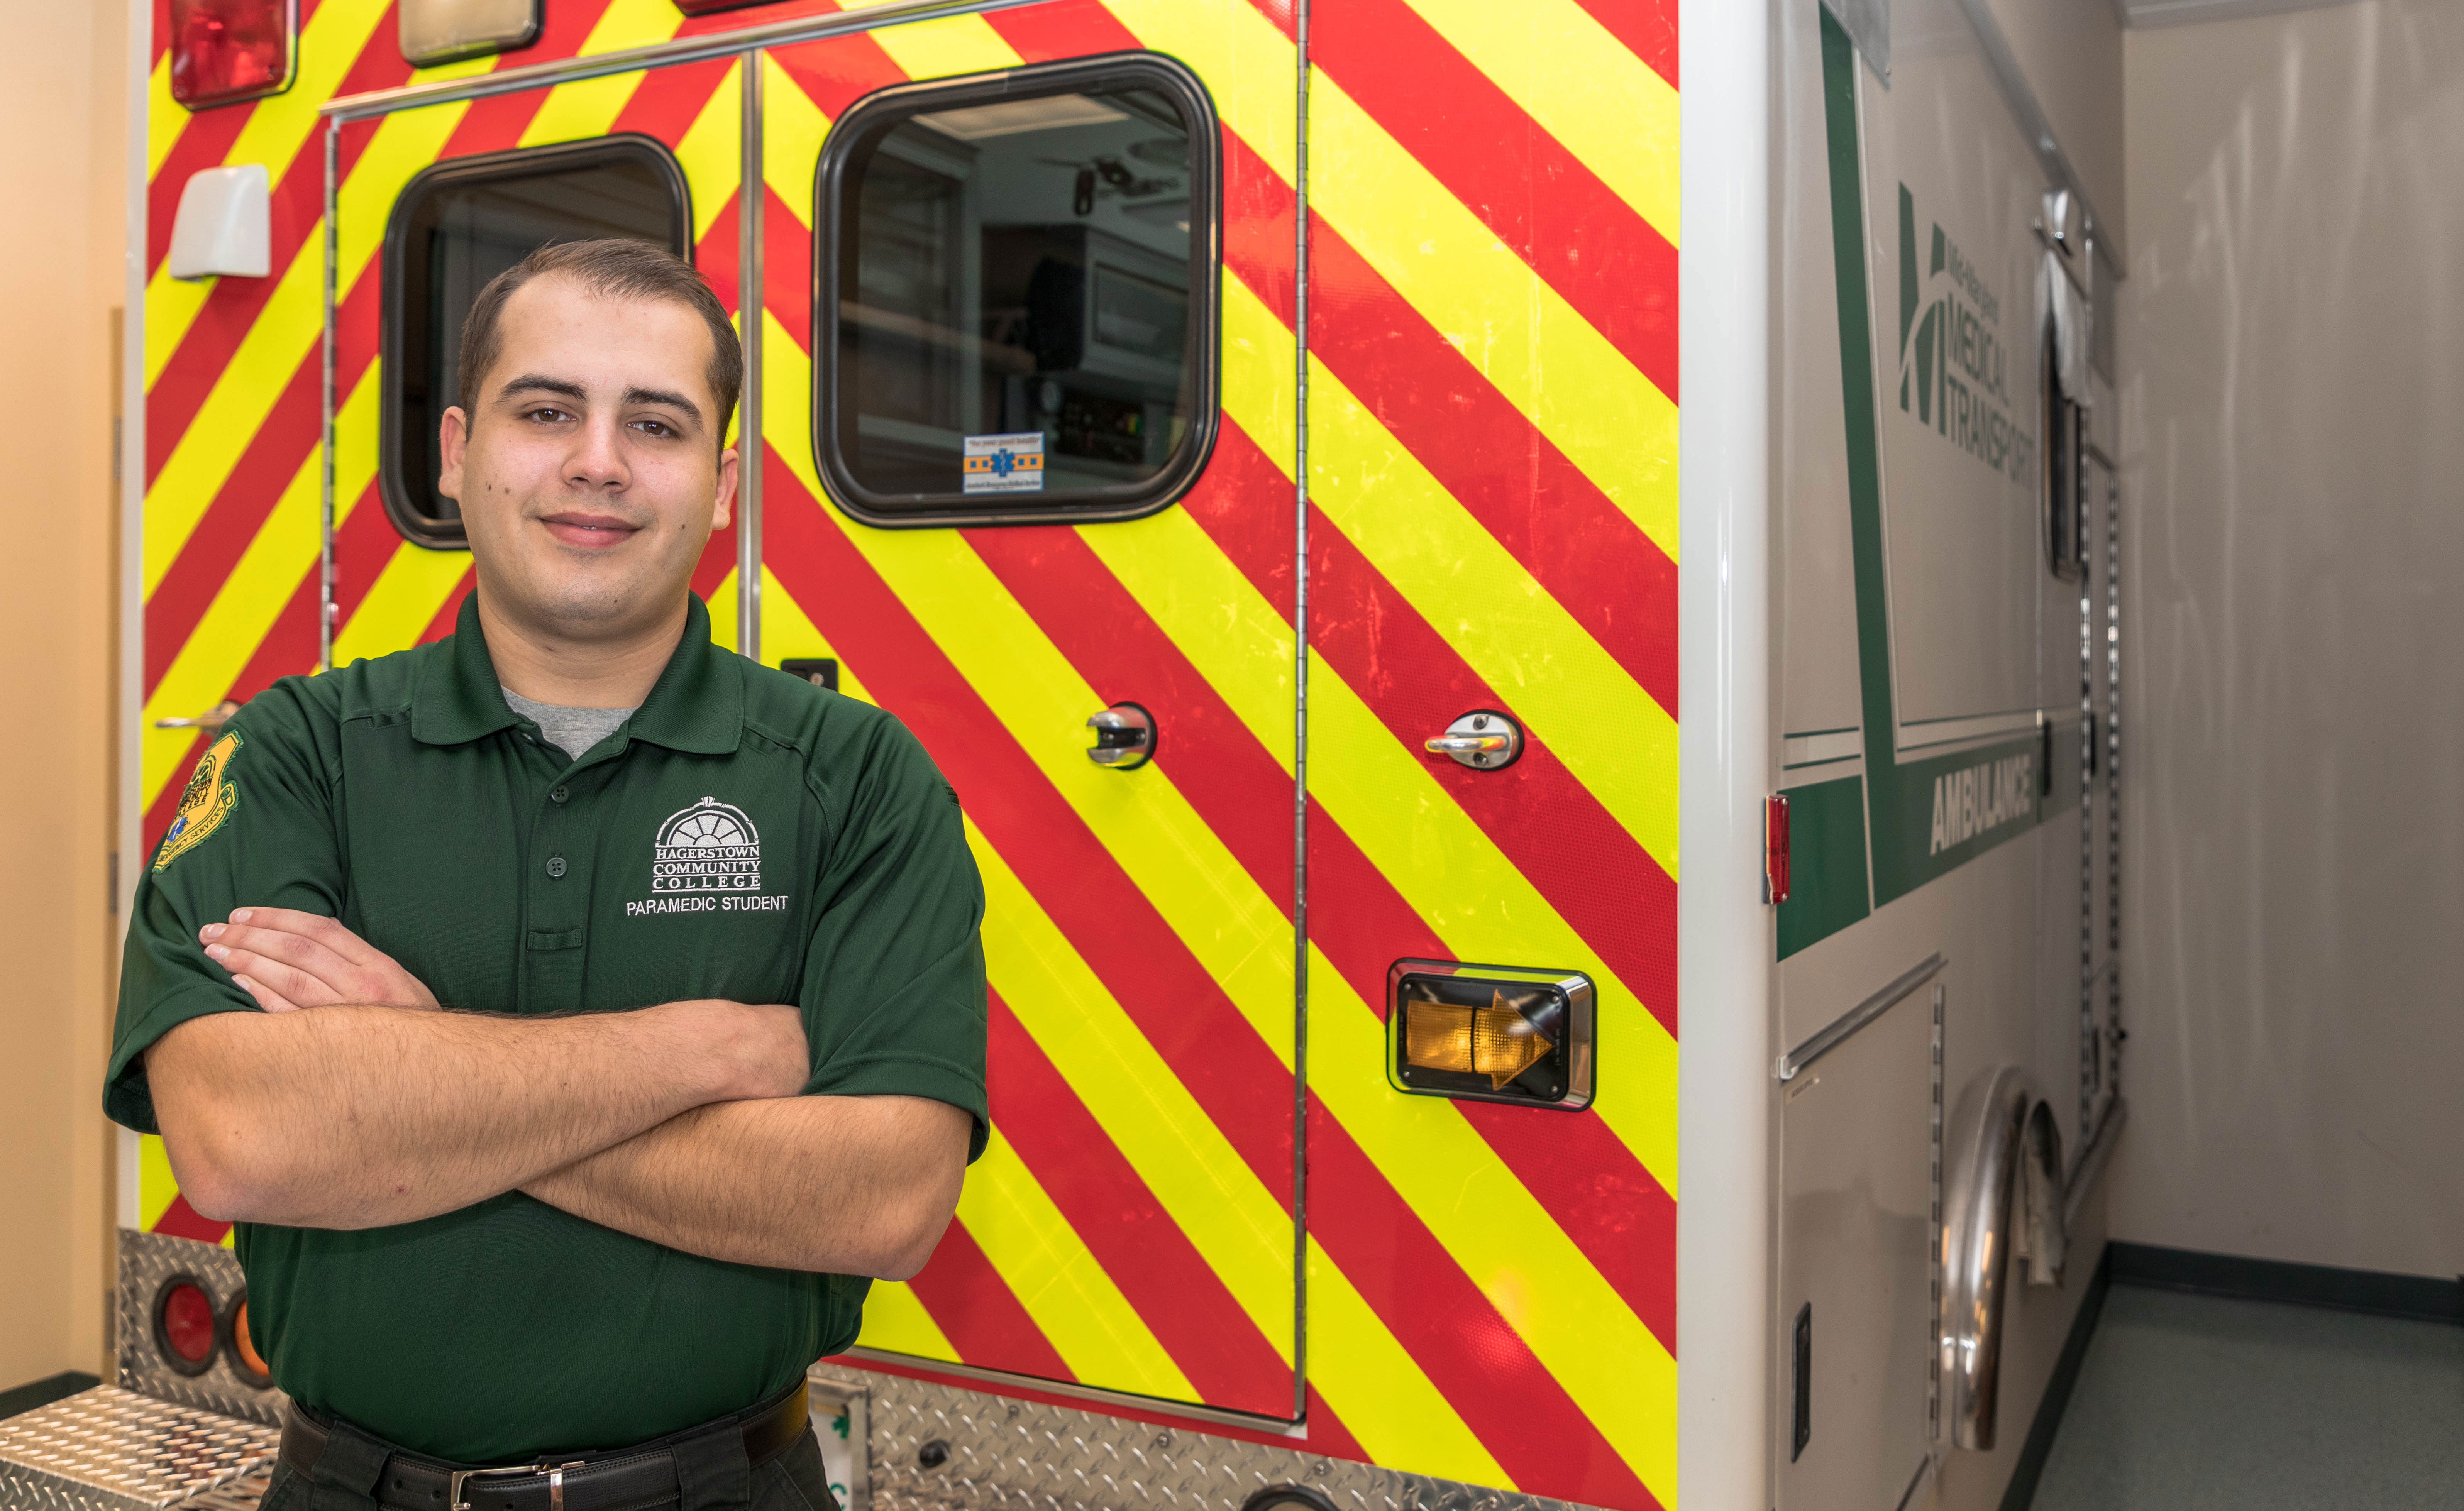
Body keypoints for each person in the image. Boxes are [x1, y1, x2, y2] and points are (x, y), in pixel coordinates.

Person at [104, 239, 987, 1511]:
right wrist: (707, 1052)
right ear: (458, 450)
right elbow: (243, 1140)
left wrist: (411, 1064)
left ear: (723, 483)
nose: (599, 461)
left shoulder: (855, 777)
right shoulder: (293, 752)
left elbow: (888, 1198)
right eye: (547, 409)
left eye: (659, 424)